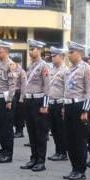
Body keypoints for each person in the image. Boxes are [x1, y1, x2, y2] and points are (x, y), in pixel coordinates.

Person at [62, 41, 90, 180]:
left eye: (71, 52)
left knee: (79, 140)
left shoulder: (86, 69)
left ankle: (81, 170)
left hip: (79, 106)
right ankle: (74, 167)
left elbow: (89, 92)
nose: (69, 55)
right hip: (69, 106)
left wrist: (85, 110)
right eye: (68, 52)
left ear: (79, 53)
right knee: (69, 139)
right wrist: (64, 106)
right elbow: (66, 90)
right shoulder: (69, 70)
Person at [21, 40, 51, 172]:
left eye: (33, 49)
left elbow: (47, 86)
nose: (30, 51)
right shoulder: (31, 66)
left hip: (39, 102)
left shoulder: (44, 66)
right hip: (29, 101)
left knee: (40, 132)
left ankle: (40, 160)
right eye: (30, 49)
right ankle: (33, 158)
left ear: (39, 50)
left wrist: (45, 104)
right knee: (31, 131)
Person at [0, 39, 17, 163]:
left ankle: (7, 154)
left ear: (5, 51)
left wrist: (9, 100)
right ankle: (2, 152)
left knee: (6, 128)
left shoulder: (10, 65)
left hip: (4, 100)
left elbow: (12, 84)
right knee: (0, 127)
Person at [47, 47, 68, 162]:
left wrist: (65, 106)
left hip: (60, 103)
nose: (52, 57)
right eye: (52, 56)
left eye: (55, 56)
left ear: (62, 57)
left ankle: (62, 152)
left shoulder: (66, 71)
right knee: (54, 129)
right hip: (51, 103)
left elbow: (67, 90)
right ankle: (57, 150)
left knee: (61, 129)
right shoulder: (50, 69)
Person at [12, 59, 27, 138]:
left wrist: (22, 97)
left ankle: (20, 131)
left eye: (13, 63)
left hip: (19, 93)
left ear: (17, 63)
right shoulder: (11, 71)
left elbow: (24, 85)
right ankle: (15, 130)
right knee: (13, 113)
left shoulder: (22, 72)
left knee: (19, 113)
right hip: (12, 93)